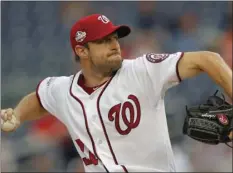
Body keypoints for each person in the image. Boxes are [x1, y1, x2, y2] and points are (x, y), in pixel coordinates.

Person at [1, 14, 232, 172]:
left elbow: (207, 59)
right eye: (103, 41)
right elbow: (40, 98)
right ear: (82, 50)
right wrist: (19, 115)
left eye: (114, 38)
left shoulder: (142, 70)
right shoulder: (63, 90)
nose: (114, 45)